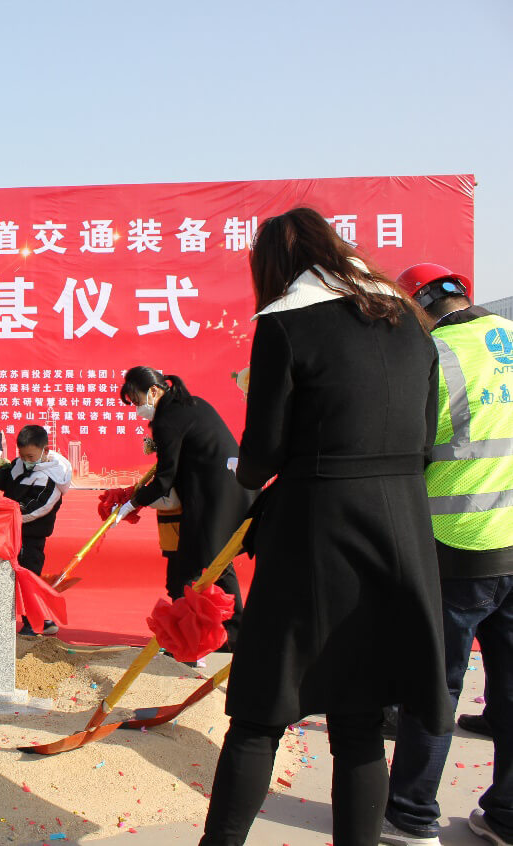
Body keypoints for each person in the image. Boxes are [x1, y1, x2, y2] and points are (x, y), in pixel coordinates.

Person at [200, 207, 450, 846]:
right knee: (359, 720)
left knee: (260, 713)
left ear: (276, 267)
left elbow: (260, 460)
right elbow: (424, 440)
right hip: (401, 531)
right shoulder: (408, 322)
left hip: (315, 533)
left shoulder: (286, 323)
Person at [381, 263, 513, 846]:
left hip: (460, 544)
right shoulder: (508, 335)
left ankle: (412, 816)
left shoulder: (435, 355)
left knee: (435, 685)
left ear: (417, 306)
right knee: (511, 688)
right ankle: (507, 816)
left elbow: (408, 446)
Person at [110, 367, 250, 649]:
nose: (138, 408)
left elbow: (165, 479)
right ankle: (232, 636)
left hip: (214, 495)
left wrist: (131, 504)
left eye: (137, 401)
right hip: (231, 491)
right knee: (216, 561)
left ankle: (189, 641)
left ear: (153, 391)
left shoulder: (168, 419)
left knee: (187, 571)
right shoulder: (190, 404)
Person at [0, 424, 71, 635]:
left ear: (45, 451)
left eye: (31, 457)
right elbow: (7, 476)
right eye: (22, 455)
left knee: (29, 577)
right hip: (12, 532)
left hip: (30, 536)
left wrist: (4, 514)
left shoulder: (51, 478)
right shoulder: (21, 464)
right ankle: (37, 619)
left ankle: (34, 623)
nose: (26, 460)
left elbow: (36, 509)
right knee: (11, 576)